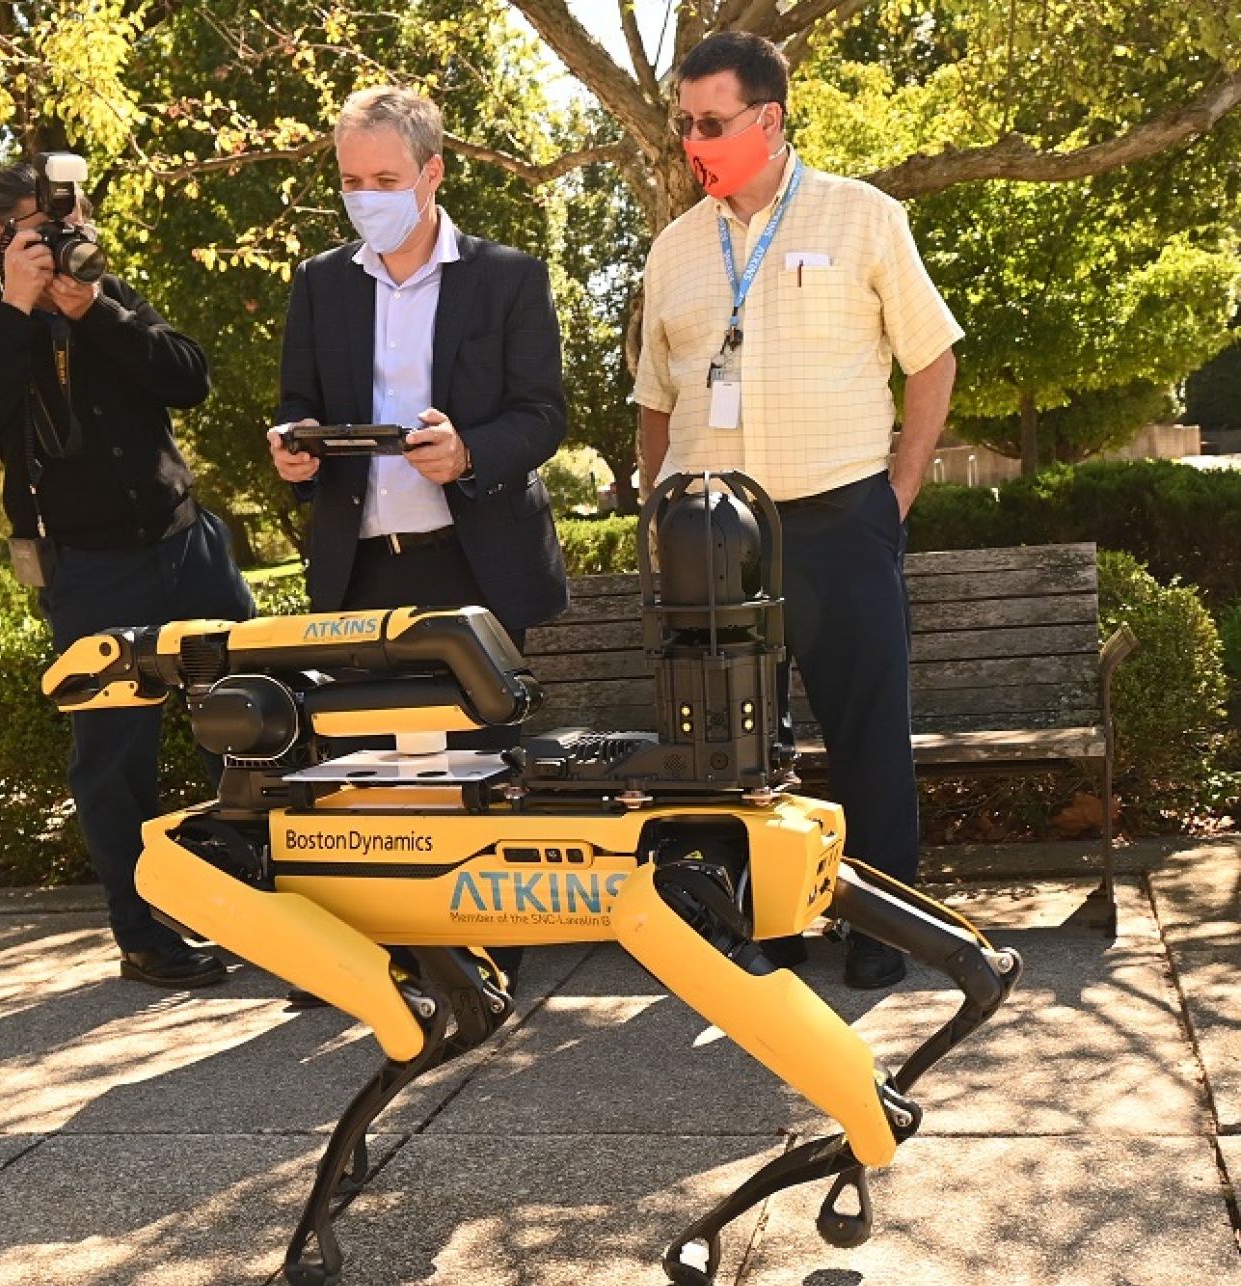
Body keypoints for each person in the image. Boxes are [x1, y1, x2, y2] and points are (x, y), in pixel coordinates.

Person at [635, 31, 964, 990]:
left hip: (838, 515)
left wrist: (897, 492)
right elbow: (655, 399)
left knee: (866, 729)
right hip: (709, 535)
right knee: (729, 748)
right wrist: (661, 517)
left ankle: (885, 925)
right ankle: (759, 926)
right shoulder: (673, 248)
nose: (693, 141)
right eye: (684, 123)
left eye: (711, 122)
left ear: (769, 119)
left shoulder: (863, 217)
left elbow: (932, 358)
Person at [268, 86, 570, 995]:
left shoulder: (507, 276)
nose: (365, 195)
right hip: (361, 565)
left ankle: (490, 954)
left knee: (479, 768)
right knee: (374, 773)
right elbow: (296, 403)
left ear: (432, 172)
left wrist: (470, 450)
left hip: (473, 560)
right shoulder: (321, 282)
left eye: (385, 177)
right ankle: (395, 949)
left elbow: (545, 415)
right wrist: (294, 448)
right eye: (351, 179)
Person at [0, 158, 255, 991]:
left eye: (74, 221)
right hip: (89, 571)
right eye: (42, 228)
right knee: (113, 760)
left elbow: (190, 380)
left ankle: (266, 897)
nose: (64, 237)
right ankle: (144, 932)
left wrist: (98, 312)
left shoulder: (116, 301)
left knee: (259, 717)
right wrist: (20, 303)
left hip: (190, 547)